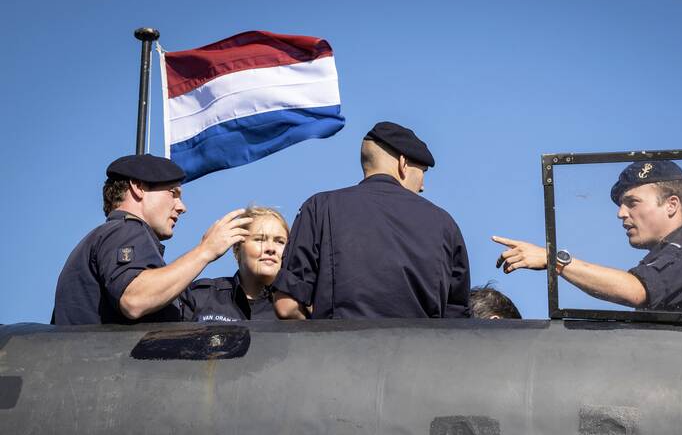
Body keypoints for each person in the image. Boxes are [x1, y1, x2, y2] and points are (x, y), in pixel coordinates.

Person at [273, 121, 471, 319]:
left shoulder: (320, 207)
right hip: (421, 340)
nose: (422, 186)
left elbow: (286, 306)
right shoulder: (445, 225)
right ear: (403, 163)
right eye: (422, 172)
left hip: (338, 339)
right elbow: (457, 321)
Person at [493, 160, 682, 313]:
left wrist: (553, 259)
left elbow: (636, 290)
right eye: (621, 205)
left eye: (632, 202)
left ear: (671, 205)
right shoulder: (670, 253)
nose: (621, 213)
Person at [52, 154, 252, 325]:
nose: (182, 207)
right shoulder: (126, 230)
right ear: (138, 187)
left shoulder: (105, 236)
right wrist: (205, 251)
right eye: (173, 193)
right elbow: (135, 299)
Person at [182, 206, 289, 321]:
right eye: (260, 239)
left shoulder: (295, 310)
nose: (271, 249)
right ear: (237, 247)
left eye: (280, 241)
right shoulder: (201, 297)